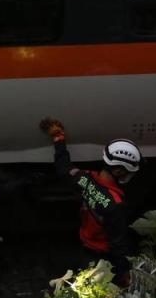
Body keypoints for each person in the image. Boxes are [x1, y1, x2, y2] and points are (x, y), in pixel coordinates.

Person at [38, 117, 139, 287]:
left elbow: (64, 168)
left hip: (85, 251)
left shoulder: (85, 179)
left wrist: (58, 138)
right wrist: (123, 273)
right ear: (118, 170)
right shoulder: (115, 204)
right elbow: (118, 245)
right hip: (104, 260)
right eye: (127, 172)